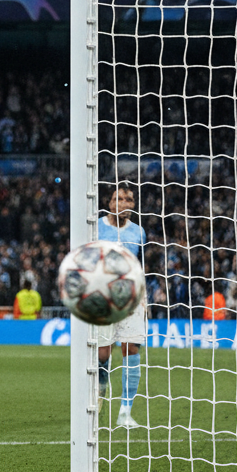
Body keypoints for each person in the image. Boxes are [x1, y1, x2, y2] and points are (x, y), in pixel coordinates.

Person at [96, 182, 147, 429]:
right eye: (119, 199)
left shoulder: (138, 231)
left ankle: (125, 412)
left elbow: (140, 265)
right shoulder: (95, 227)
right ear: (109, 202)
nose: (125, 204)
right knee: (103, 354)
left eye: (129, 200)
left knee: (131, 349)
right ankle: (100, 396)